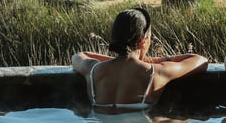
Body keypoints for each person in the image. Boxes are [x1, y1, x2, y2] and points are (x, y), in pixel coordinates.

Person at [72, 7, 208, 112]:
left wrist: (121, 56)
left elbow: (79, 55)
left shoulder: (92, 69)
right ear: (143, 42)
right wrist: (153, 61)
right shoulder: (157, 72)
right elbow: (200, 61)